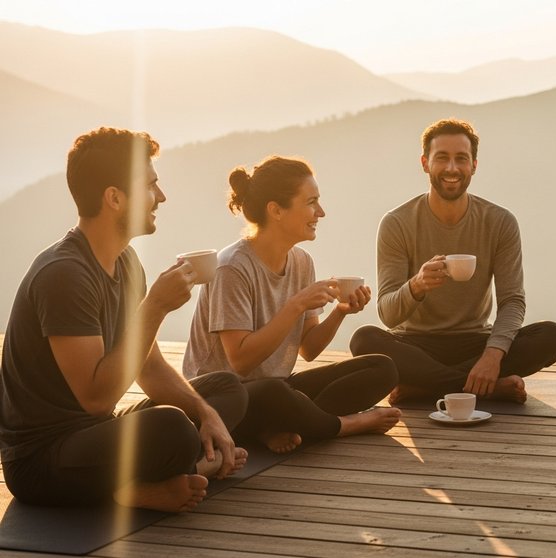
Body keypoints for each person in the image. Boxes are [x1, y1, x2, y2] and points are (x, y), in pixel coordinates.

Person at [0, 127, 248, 513]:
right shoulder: (65, 274)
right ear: (114, 198)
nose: (161, 197)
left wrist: (206, 413)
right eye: (151, 185)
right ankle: (141, 486)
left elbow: (147, 367)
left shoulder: (127, 263)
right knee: (172, 428)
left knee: (224, 390)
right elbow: (96, 397)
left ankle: (172, 473)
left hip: (97, 434)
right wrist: (154, 308)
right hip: (42, 459)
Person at [183, 156, 401, 454]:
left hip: (277, 390)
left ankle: (283, 425)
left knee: (382, 367)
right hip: (224, 400)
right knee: (276, 392)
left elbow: (308, 350)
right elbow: (241, 362)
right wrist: (296, 305)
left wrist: (340, 312)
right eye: (311, 202)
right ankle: (343, 425)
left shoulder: (301, 262)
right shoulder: (232, 268)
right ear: (276, 210)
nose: (320, 212)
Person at [350, 118, 556, 403]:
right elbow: (388, 314)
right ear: (425, 163)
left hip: (475, 342)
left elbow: (512, 300)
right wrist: (416, 286)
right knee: (364, 340)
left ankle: (427, 388)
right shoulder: (396, 223)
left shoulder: (499, 221)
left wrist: (493, 355)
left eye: (461, 159)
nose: (452, 168)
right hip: (415, 343)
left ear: (474, 166)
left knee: (551, 336)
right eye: (442, 158)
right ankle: (483, 387)